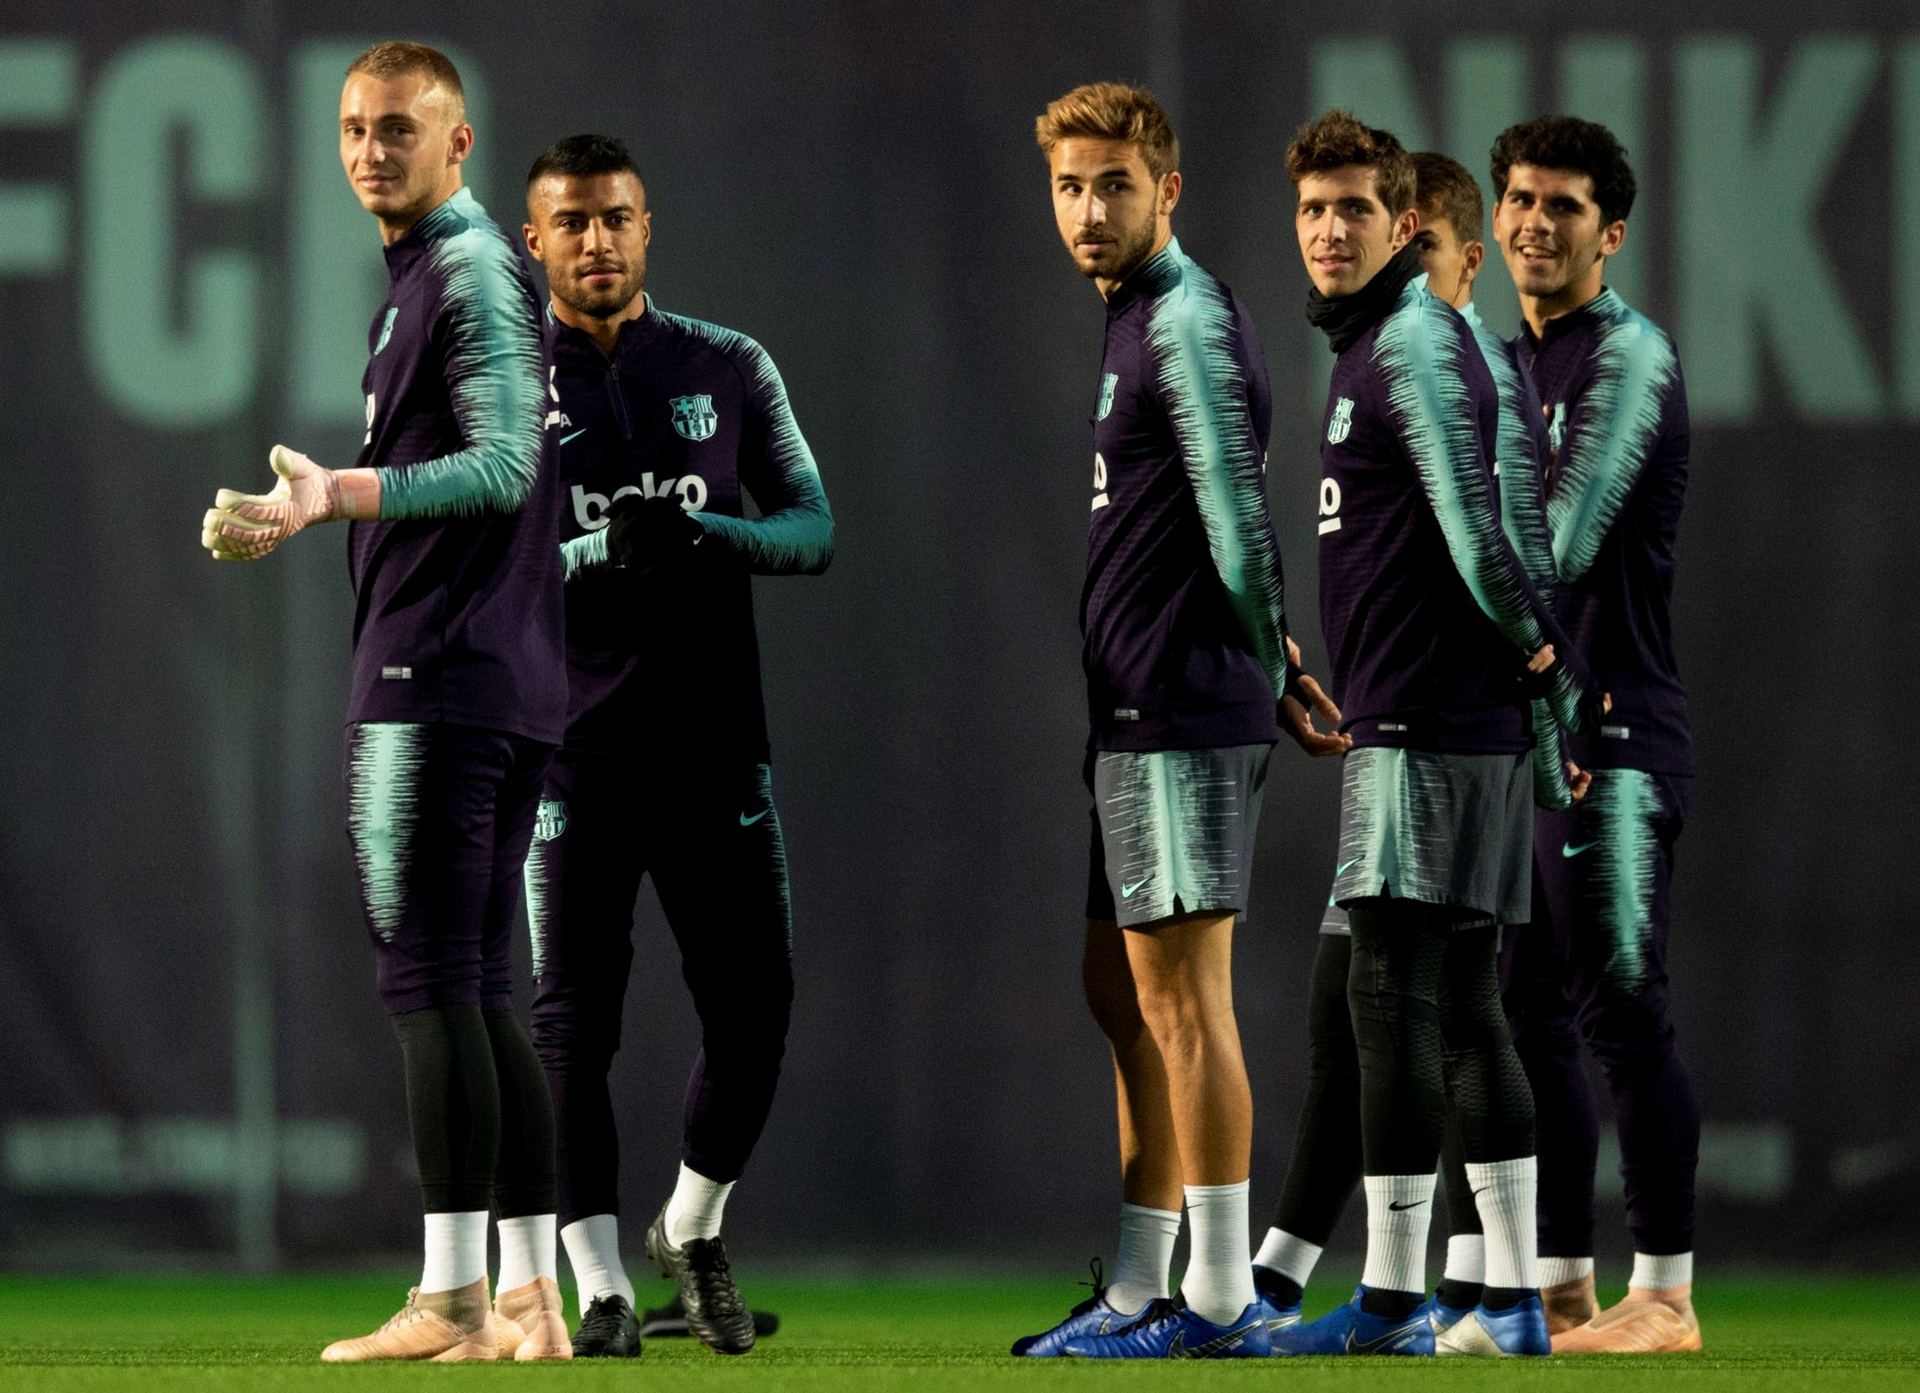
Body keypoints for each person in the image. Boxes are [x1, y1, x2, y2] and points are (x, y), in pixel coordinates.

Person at [200, 41, 568, 1363]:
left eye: (399, 128)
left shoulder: (464, 271)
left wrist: (333, 496)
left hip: (441, 675)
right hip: (494, 672)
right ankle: (527, 1295)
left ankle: (453, 1297)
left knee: (431, 978)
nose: (370, 150)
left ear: (459, 143)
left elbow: (507, 466)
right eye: (354, 128)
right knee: (471, 984)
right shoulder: (440, 276)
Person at [1011, 81, 1343, 1363]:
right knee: (1122, 990)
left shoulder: (1187, 322)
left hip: (1185, 708)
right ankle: (1144, 1288)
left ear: (1170, 189)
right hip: (1137, 710)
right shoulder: (1134, 318)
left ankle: (1214, 1304)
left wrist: (1272, 663)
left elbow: (1241, 517)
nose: (1088, 211)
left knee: (1184, 999)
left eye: (1113, 185)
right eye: (1069, 186)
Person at [1267, 111, 1601, 1360]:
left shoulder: (1410, 347)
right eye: (1311, 210)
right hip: (1449, 721)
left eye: (1353, 209)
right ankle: (1510, 1297)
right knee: (1463, 1002)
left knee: (1391, 995)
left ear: (1402, 225)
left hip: (1424, 720)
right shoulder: (1398, 344)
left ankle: (1397, 1299)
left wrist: (1549, 673)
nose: (1329, 230)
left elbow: (1477, 537)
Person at [519, 133, 832, 1359]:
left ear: (650, 229)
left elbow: (811, 528)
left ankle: (690, 1227)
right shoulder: (497, 386)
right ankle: (597, 1288)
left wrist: (707, 539)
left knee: (758, 1010)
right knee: (571, 1029)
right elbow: (473, 584)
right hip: (567, 752)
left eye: (617, 219)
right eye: (572, 222)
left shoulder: (727, 365)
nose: (597, 241)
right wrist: (605, 551)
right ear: (532, 238)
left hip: (714, 749)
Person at [1490, 115, 1702, 1355]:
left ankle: (1665, 1294)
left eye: (1563, 206)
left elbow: (1553, 549)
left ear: (1609, 233)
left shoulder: (1629, 359)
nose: (1533, 221)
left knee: (1622, 1003)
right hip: (1527, 738)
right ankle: (1565, 1285)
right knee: (1529, 1019)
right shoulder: (1502, 360)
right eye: (1518, 197)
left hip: (1614, 730)